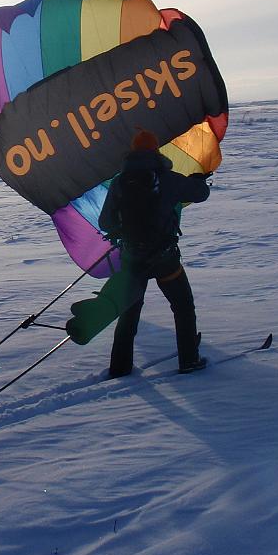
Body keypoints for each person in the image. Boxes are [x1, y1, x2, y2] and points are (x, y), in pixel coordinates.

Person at [98, 129, 212, 377]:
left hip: (132, 260)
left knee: (128, 313)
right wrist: (198, 181)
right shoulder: (168, 178)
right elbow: (200, 194)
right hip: (165, 259)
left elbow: (105, 222)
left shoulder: (119, 181)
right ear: (156, 150)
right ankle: (189, 359)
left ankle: (120, 367)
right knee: (182, 307)